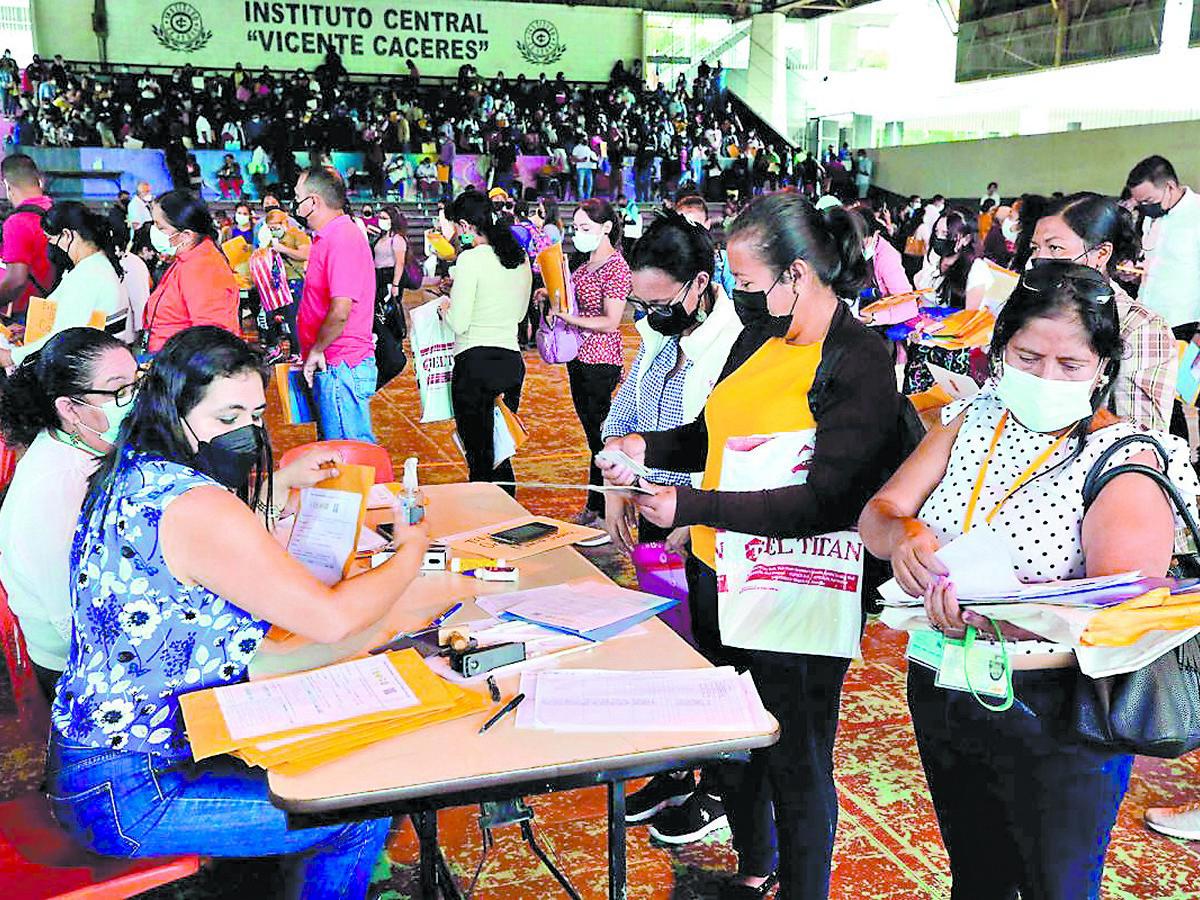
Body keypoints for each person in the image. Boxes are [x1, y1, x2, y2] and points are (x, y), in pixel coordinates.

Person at [46, 326, 429, 898]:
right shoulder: (197, 505)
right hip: (133, 788)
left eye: (254, 415)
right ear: (176, 413)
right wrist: (412, 553)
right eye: (227, 418)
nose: (247, 432)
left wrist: (278, 483)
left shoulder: (136, 473)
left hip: (108, 757)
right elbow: (329, 619)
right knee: (358, 810)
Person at [859, 260, 1199, 900]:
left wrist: (1000, 614)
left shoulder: (1125, 460)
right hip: (943, 682)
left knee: (1057, 885)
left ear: (1103, 368)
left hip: (1056, 713)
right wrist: (903, 537)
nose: (1046, 376)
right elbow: (880, 512)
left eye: (1070, 365)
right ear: (1000, 351)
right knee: (977, 878)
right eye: (1027, 355)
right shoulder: (973, 419)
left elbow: (1122, 617)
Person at [600, 193, 903, 899]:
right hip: (719, 567)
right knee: (734, 745)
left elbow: (825, 501)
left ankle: (802, 888)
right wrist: (642, 445)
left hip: (801, 588)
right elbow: (713, 431)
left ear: (798, 274)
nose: (740, 297)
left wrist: (691, 503)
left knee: (796, 759)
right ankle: (755, 867)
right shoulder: (760, 334)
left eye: (748, 282)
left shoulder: (857, 361)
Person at [0, 328, 138, 701]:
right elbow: (71, 617)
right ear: (70, 408)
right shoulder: (57, 485)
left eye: (138, 383)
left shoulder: (89, 445)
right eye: (119, 390)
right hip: (74, 662)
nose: (135, 400)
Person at [1028, 192, 1176, 433]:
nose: (1039, 258)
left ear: (1100, 254)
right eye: (1035, 248)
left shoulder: (1139, 326)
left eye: (1054, 247)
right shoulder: (1032, 307)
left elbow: (1141, 435)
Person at [547, 198, 630, 537]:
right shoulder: (583, 268)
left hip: (602, 359)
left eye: (586, 228)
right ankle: (597, 505)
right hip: (579, 357)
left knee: (601, 437)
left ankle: (602, 506)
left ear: (606, 228)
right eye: (576, 229)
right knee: (592, 437)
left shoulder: (615, 268)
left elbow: (611, 321)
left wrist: (570, 317)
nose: (579, 235)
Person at [439, 190, 532, 491]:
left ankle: (485, 518)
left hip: (475, 364)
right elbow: (519, 316)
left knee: (479, 457)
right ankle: (507, 511)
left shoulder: (470, 259)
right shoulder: (518, 257)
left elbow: (460, 322)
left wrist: (444, 308)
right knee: (501, 448)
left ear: (465, 226)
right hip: (510, 361)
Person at [293, 166, 378, 442]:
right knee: (338, 453)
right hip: (333, 364)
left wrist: (318, 348)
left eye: (297, 199)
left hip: (341, 364)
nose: (295, 206)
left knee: (348, 456)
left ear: (313, 202)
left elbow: (341, 311)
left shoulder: (342, 237)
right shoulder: (330, 237)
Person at [0, 202, 129, 369]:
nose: (51, 248)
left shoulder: (88, 277)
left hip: (87, 370)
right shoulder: (95, 266)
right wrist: (30, 331)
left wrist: (11, 357)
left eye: (50, 240)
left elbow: (62, 337)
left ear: (67, 235)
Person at [143, 190, 240, 355]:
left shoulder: (203, 268)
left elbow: (211, 338)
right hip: (171, 360)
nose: (154, 231)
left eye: (160, 227)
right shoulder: (186, 258)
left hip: (183, 368)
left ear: (186, 235)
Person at [906, 209, 990, 393]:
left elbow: (968, 320)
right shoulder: (933, 259)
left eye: (946, 234)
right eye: (937, 232)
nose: (939, 238)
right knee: (913, 401)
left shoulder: (976, 270)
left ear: (966, 239)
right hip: (922, 345)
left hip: (949, 351)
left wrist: (933, 326)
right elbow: (922, 299)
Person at [1126, 155, 1200, 333]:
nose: (1145, 207)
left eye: (1149, 201)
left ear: (1170, 187)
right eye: (1140, 203)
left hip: (1184, 321)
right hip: (1147, 316)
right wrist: (1136, 275)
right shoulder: (1151, 217)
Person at [0, 153, 54, 319]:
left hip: (29, 314)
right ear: (39, 180)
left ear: (7, 185)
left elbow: (16, 280)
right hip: (56, 305)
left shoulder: (17, 223)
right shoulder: (56, 211)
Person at [853, 206, 911, 298]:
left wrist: (874, 313)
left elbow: (902, 298)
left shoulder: (888, 258)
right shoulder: (850, 247)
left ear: (875, 233)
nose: (859, 247)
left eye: (863, 242)